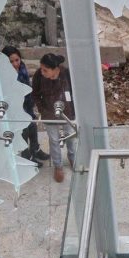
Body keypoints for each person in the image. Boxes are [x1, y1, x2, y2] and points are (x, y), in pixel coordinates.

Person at [1, 46, 50, 167]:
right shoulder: (3, 73)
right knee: (23, 131)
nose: (15, 63)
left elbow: (27, 85)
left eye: (17, 60)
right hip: (14, 107)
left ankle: (36, 150)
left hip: (27, 104)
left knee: (32, 127)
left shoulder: (22, 68)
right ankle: (27, 156)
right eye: (11, 61)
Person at [31, 53, 76, 183]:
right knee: (54, 139)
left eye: (45, 70)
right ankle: (58, 165)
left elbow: (74, 91)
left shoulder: (66, 74)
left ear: (55, 69)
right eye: (41, 69)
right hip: (49, 112)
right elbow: (35, 94)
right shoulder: (39, 76)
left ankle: (72, 157)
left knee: (70, 135)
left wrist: (73, 109)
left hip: (67, 111)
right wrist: (42, 109)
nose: (42, 72)